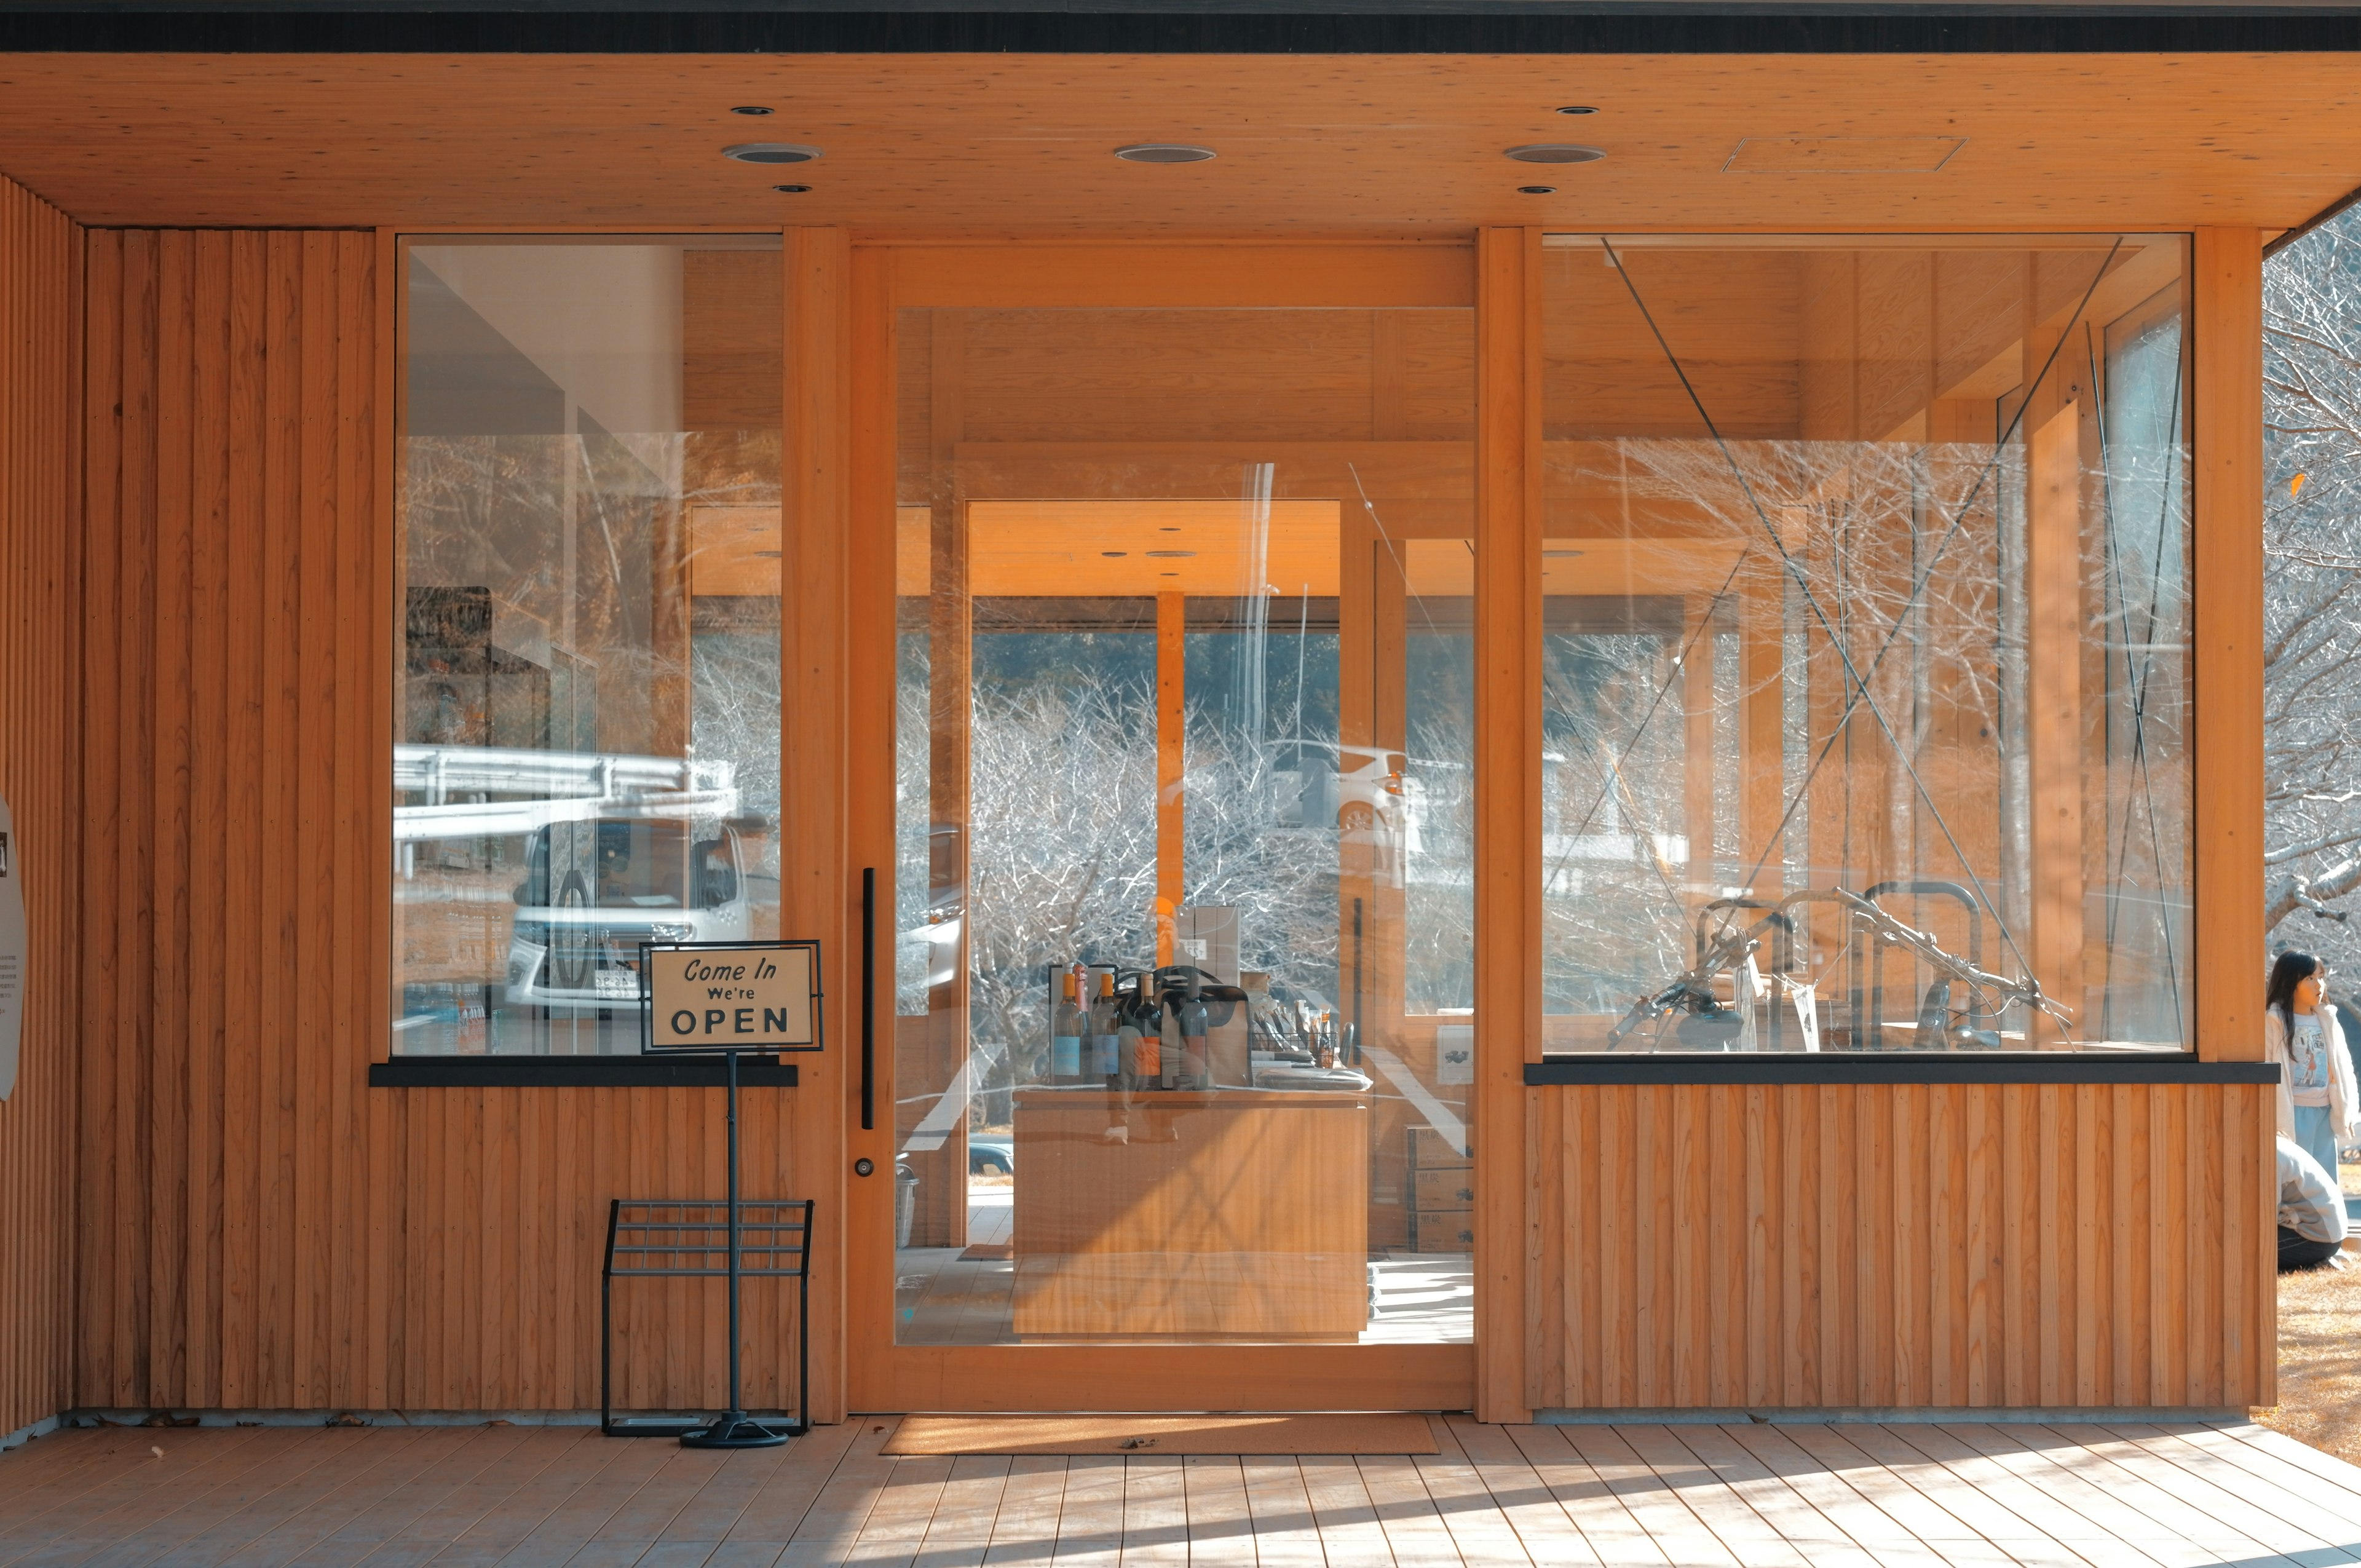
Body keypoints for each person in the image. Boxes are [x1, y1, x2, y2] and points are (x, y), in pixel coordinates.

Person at [2264, 951, 2357, 1179]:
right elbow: (2266, 1066)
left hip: (2326, 1112)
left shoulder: (2328, 1019)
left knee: (2326, 1181)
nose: (2320, 985)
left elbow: (2344, 1068)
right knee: (2296, 1182)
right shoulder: (2273, 1021)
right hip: (2291, 1113)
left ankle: (2326, 1217)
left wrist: (2348, 1110)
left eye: (2322, 977)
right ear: (2289, 981)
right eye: (2310, 978)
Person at [2279, 1133, 2349, 1270]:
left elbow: (2264, 1215)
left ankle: (2313, 1263)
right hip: (2325, 1233)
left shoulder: (2271, 1155)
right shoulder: (2278, 1145)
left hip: (2314, 1238)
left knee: (2243, 1253)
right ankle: (2315, 1262)